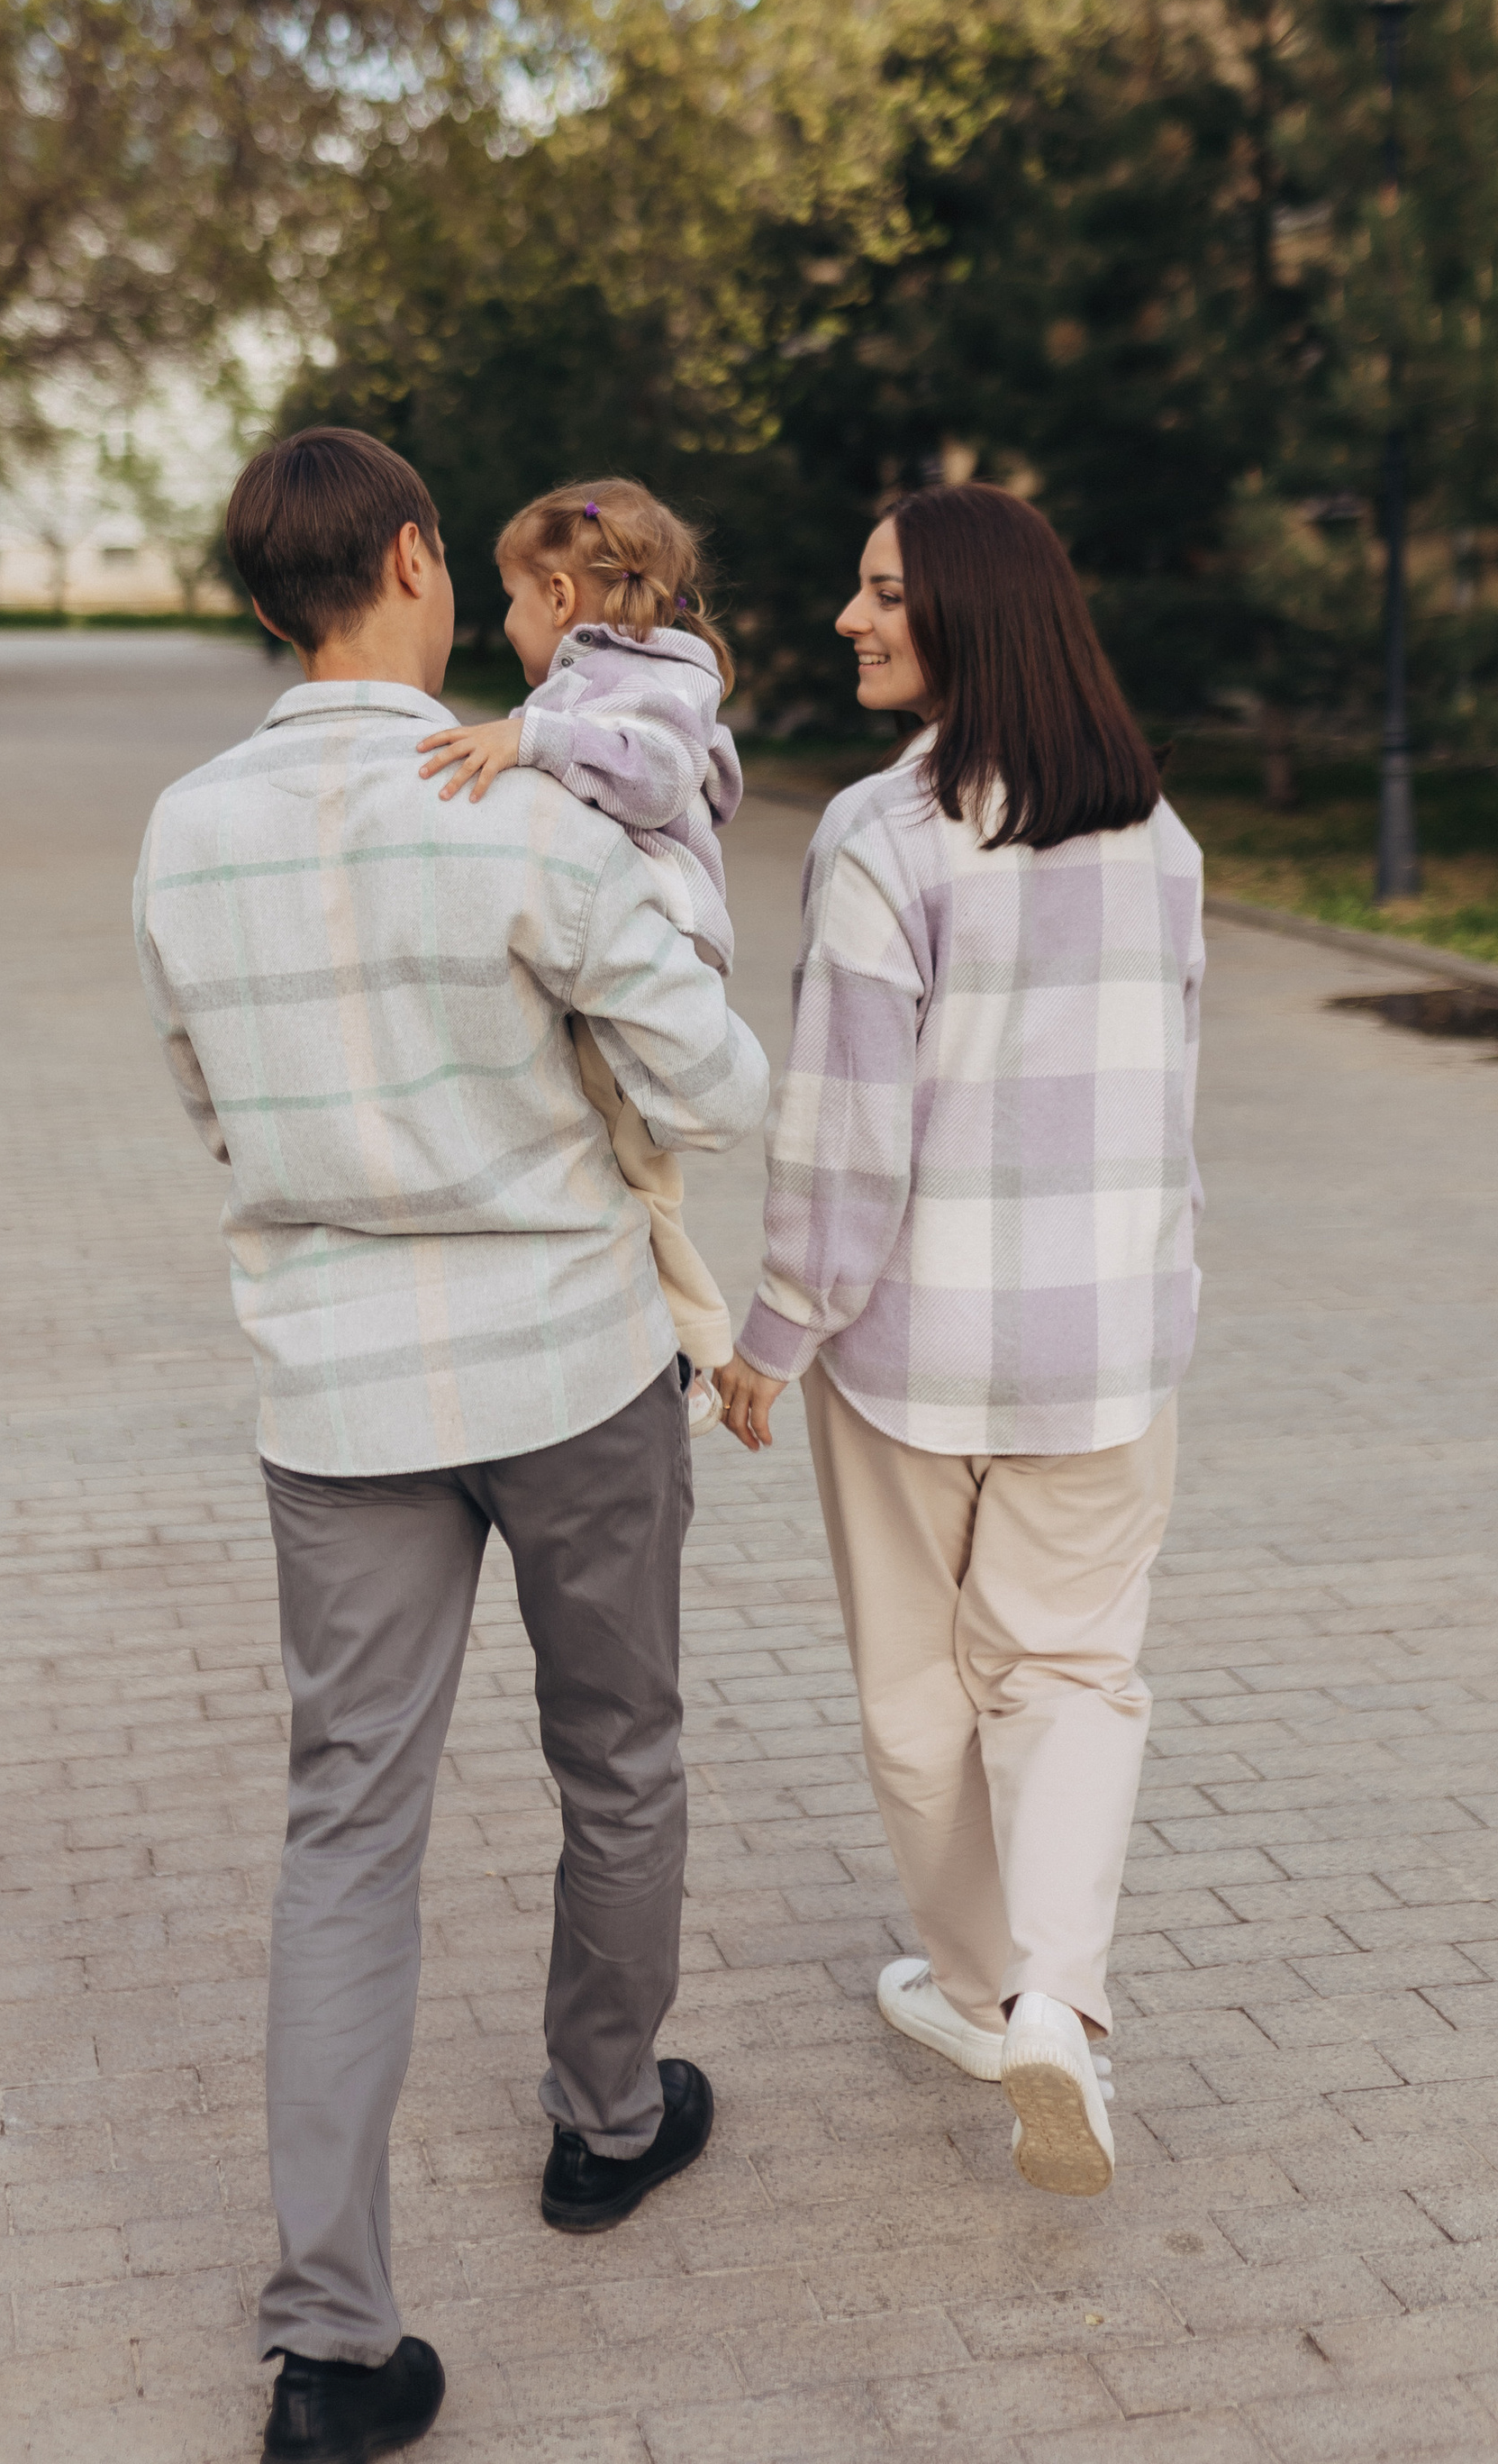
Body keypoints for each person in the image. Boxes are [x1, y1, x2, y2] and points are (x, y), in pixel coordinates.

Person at [132, 429, 769, 2462]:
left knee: (344, 1837)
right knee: (622, 1755)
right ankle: (604, 2123)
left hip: (332, 1392)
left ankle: (330, 2348)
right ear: (415, 554)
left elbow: (209, 1103)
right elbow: (722, 1083)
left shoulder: (181, 830)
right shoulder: (525, 815)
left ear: (259, 600)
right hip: (569, 1363)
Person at [714, 484, 1203, 2200]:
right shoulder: (1160, 837)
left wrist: (774, 1332)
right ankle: (1061, 2003)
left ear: (973, 618)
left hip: (914, 1357)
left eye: (884, 596)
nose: (852, 620)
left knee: (925, 1699)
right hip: (1106, 1355)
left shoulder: (884, 835)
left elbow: (843, 1128)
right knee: (1071, 1675)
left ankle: (991, 1989)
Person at [415, 477, 741, 1430]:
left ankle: (695, 1355)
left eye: (513, 598)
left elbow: (656, 776)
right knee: (615, 1164)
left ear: (558, 598)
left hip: (653, 949)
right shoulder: (606, 675)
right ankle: (675, 1347)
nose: (505, 621)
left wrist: (534, 738)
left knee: (634, 1176)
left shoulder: (645, 677)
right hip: (617, 948)